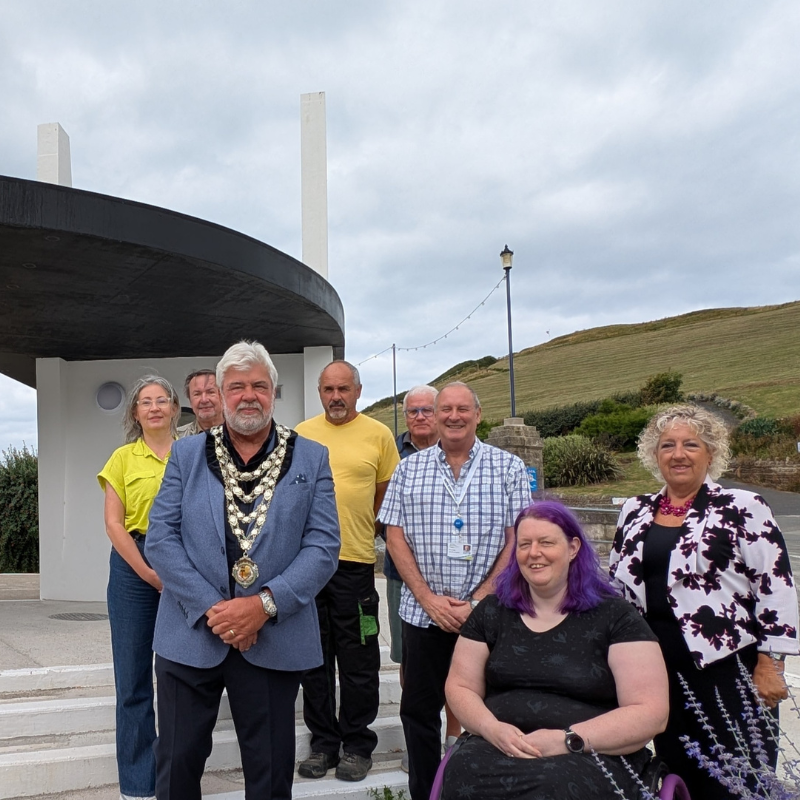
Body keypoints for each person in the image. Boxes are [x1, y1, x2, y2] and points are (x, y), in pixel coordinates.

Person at [144, 341, 340, 800]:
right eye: (236, 387)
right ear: (220, 393)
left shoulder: (310, 457)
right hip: (191, 632)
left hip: (274, 636)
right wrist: (219, 610)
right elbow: (162, 539)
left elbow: (324, 547)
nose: (248, 395)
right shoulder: (187, 455)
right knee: (176, 765)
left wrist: (262, 606)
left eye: (258, 385)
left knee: (270, 773)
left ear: (274, 391)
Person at [610, 404, 800, 799]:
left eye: (690, 445)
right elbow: (616, 587)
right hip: (654, 665)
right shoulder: (634, 510)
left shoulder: (743, 507)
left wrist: (772, 663)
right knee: (674, 770)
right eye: (667, 446)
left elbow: (775, 584)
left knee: (740, 774)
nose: (678, 454)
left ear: (711, 453)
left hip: (729, 667)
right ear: (654, 455)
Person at [441, 501, 669, 800]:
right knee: (462, 771)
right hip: (498, 743)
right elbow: (460, 685)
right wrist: (490, 728)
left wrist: (568, 739)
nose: (534, 553)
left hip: (589, 751)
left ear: (573, 547)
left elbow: (651, 712)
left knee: (553, 786)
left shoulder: (616, 616)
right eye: (524, 544)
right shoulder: (492, 612)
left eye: (546, 542)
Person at [379, 381, 531, 800]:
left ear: (478, 414)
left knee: (494, 710)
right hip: (423, 614)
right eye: (445, 408)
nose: (453, 416)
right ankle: (427, 792)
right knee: (418, 713)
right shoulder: (409, 468)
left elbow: (518, 538)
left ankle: (483, 789)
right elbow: (394, 536)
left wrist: (479, 600)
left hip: (488, 617)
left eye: (462, 408)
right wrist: (427, 598)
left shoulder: (508, 468)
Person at [295, 360, 400, 781]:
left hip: (355, 567)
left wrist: (355, 530)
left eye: (344, 389)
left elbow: (383, 497)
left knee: (359, 659)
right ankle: (323, 745)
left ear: (358, 391)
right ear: (319, 392)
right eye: (328, 389)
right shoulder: (301, 435)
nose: (335, 397)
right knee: (312, 660)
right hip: (307, 568)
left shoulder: (379, 435)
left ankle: (357, 745)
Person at [97, 375, 180, 800]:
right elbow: (114, 523)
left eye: (161, 400)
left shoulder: (191, 453)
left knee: (178, 676)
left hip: (183, 564)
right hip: (133, 564)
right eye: (145, 402)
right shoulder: (122, 458)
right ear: (135, 413)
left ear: (173, 408)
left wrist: (175, 572)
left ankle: (176, 779)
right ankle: (137, 786)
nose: (153, 408)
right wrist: (149, 573)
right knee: (132, 681)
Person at [177, 368, 223, 437]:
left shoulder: (241, 433)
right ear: (190, 401)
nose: (204, 400)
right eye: (197, 394)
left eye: (210, 392)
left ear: (223, 396)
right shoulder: (177, 438)